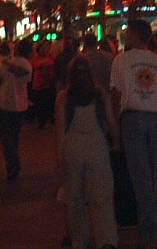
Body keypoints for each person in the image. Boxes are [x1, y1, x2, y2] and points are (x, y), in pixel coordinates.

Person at [110, 20, 157, 249]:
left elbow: (116, 94)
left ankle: (153, 230)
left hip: (133, 118)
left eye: (128, 33)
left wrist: (116, 125)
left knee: (140, 178)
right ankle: (147, 232)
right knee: (148, 177)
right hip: (155, 118)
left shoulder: (121, 60)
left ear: (135, 36)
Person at [57, 57, 119, 249]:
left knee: (74, 198)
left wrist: (59, 157)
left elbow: (60, 130)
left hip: (72, 146)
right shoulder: (99, 94)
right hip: (96, 145)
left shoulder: (64, 97)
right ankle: (106, 241)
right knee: (102, 197)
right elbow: (111, 122)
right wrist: (117, 142)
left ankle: (79, 241)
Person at [0, 39, 34, 180]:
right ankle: (12, 164)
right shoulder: (27, 65)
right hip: (20, 103)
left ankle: (12, 161)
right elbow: (26, 79)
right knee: (14, 135)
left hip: (5, 102)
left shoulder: (4, 64)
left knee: (4, 134)